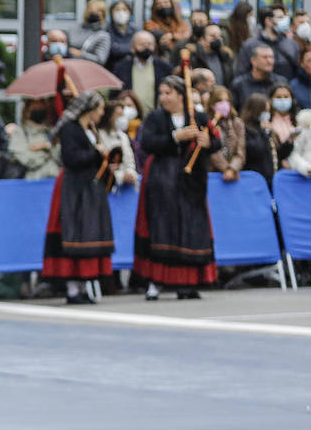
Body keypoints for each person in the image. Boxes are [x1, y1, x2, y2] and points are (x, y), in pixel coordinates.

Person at [134, 76, 218, 300]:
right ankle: (155, 282)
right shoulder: (155, 117)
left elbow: (215, 140)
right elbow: (148, 144)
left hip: (192, 182)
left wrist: (207, 142)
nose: (163, 98)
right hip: (163, 179)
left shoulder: (198, 116)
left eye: (168, 93)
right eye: (161, 93)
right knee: (162, 229)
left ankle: (187, 283)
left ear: (181, 95)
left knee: (190, 229)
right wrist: (175, 137)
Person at [42, 91, 114, 304]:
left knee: (87, 232)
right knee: (73, 231)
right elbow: (71, 158)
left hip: (89, 186)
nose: (102, 113)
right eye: (100, 108)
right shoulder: (70, 129)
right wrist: (97, 153)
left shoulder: (90, 129)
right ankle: (73, 289)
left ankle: (82, 286)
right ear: (90, 110)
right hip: (73, 187)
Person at [235, 5, 301, 80]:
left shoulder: (291, 44)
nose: (285, 20)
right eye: (280, 17)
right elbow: (241, 74)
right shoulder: (250, 45)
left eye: (284, 17)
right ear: (268, 21)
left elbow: (299, 72)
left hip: (285, 90)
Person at [114, 32, 173, 114]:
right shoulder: (121, 67)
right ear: (132, 48)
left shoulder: (164, 67)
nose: (146, 47)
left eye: (149, 44)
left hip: (156, 116)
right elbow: (115, 94)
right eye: (142, 44)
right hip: (130, 117)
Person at [8, 98, 61, 180]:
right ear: (27, 109)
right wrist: (46, 155)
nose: (38, 108)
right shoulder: (19, 133)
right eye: (34, 105)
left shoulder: (51, 131)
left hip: (56, 180)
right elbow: (25, 158)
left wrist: (47, 145)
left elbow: (62, 155)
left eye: (41, 104)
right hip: (33, 182)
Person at [206, 86, 246, 182]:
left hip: (234, 174)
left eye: (227, 100)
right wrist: (226, 169)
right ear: (212, 104)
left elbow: (241, 151)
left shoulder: (237, 123)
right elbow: (212, 151)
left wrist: (232, 169)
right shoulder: (207, 123)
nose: (224, 104)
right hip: (212, 174)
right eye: (220, 101)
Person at [231, 45, 288, 110]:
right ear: (253, 61)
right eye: (265, 57)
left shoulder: (281, 82)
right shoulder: (239, 84)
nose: (270, 61)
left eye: (272, 57)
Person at [97, 100, 139, 187]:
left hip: (126, 185)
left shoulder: (123, 136)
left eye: (122, 114)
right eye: (118, 114)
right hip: (108, 184)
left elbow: (130, 160)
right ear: (109, 116)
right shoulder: (100, 135)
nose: (121, 118)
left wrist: (130, 173)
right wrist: (120, 176)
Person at [268, 83, 300, 168]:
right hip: (277, 166)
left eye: (286, 97)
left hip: (300, 165)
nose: (283, 100)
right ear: (271, 99)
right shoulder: (267, 121)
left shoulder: (299, 119)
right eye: (278, 97)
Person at [192, 22, 233, 88]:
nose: (217, 39)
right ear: (202, 40)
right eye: (213, 36)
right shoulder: (194, 58)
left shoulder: (225, 57)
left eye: (219, 36)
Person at [76, 0, 112, 65]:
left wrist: (81, 54)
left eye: (98, 11)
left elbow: (100, 60)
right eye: (91, 9)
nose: (93, 12)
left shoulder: (103, 35)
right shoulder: (75, 29)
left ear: (103, 15)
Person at [106, 0, 137, 70]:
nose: (121, 13)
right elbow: (111, 51)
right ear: (111, 13)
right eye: (117, 9)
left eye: (124, 9)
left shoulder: (135, 31)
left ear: (130, 12)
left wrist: (118, 48)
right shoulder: (106, 31)